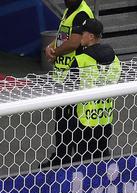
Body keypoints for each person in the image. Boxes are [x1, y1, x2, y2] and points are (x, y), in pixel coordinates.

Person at [59, 18, 120, 166]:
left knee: (84, 163)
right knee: (102, 159)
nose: (80, 36)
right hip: (105, 118)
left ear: (91, 36)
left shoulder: (80, 60)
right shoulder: (115, 59)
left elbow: (68, 88)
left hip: (83, 121)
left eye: (83, 33)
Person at [44, 0, 96, 168]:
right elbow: (63, 36)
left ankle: (68, 158)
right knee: (62, 117)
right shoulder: (70, 11)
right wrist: (50, 47)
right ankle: (62, 155)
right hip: (63, 74)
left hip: (75, 73)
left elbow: (74, 43)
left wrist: (55, 52)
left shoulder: (81, 13)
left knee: (70, 118)